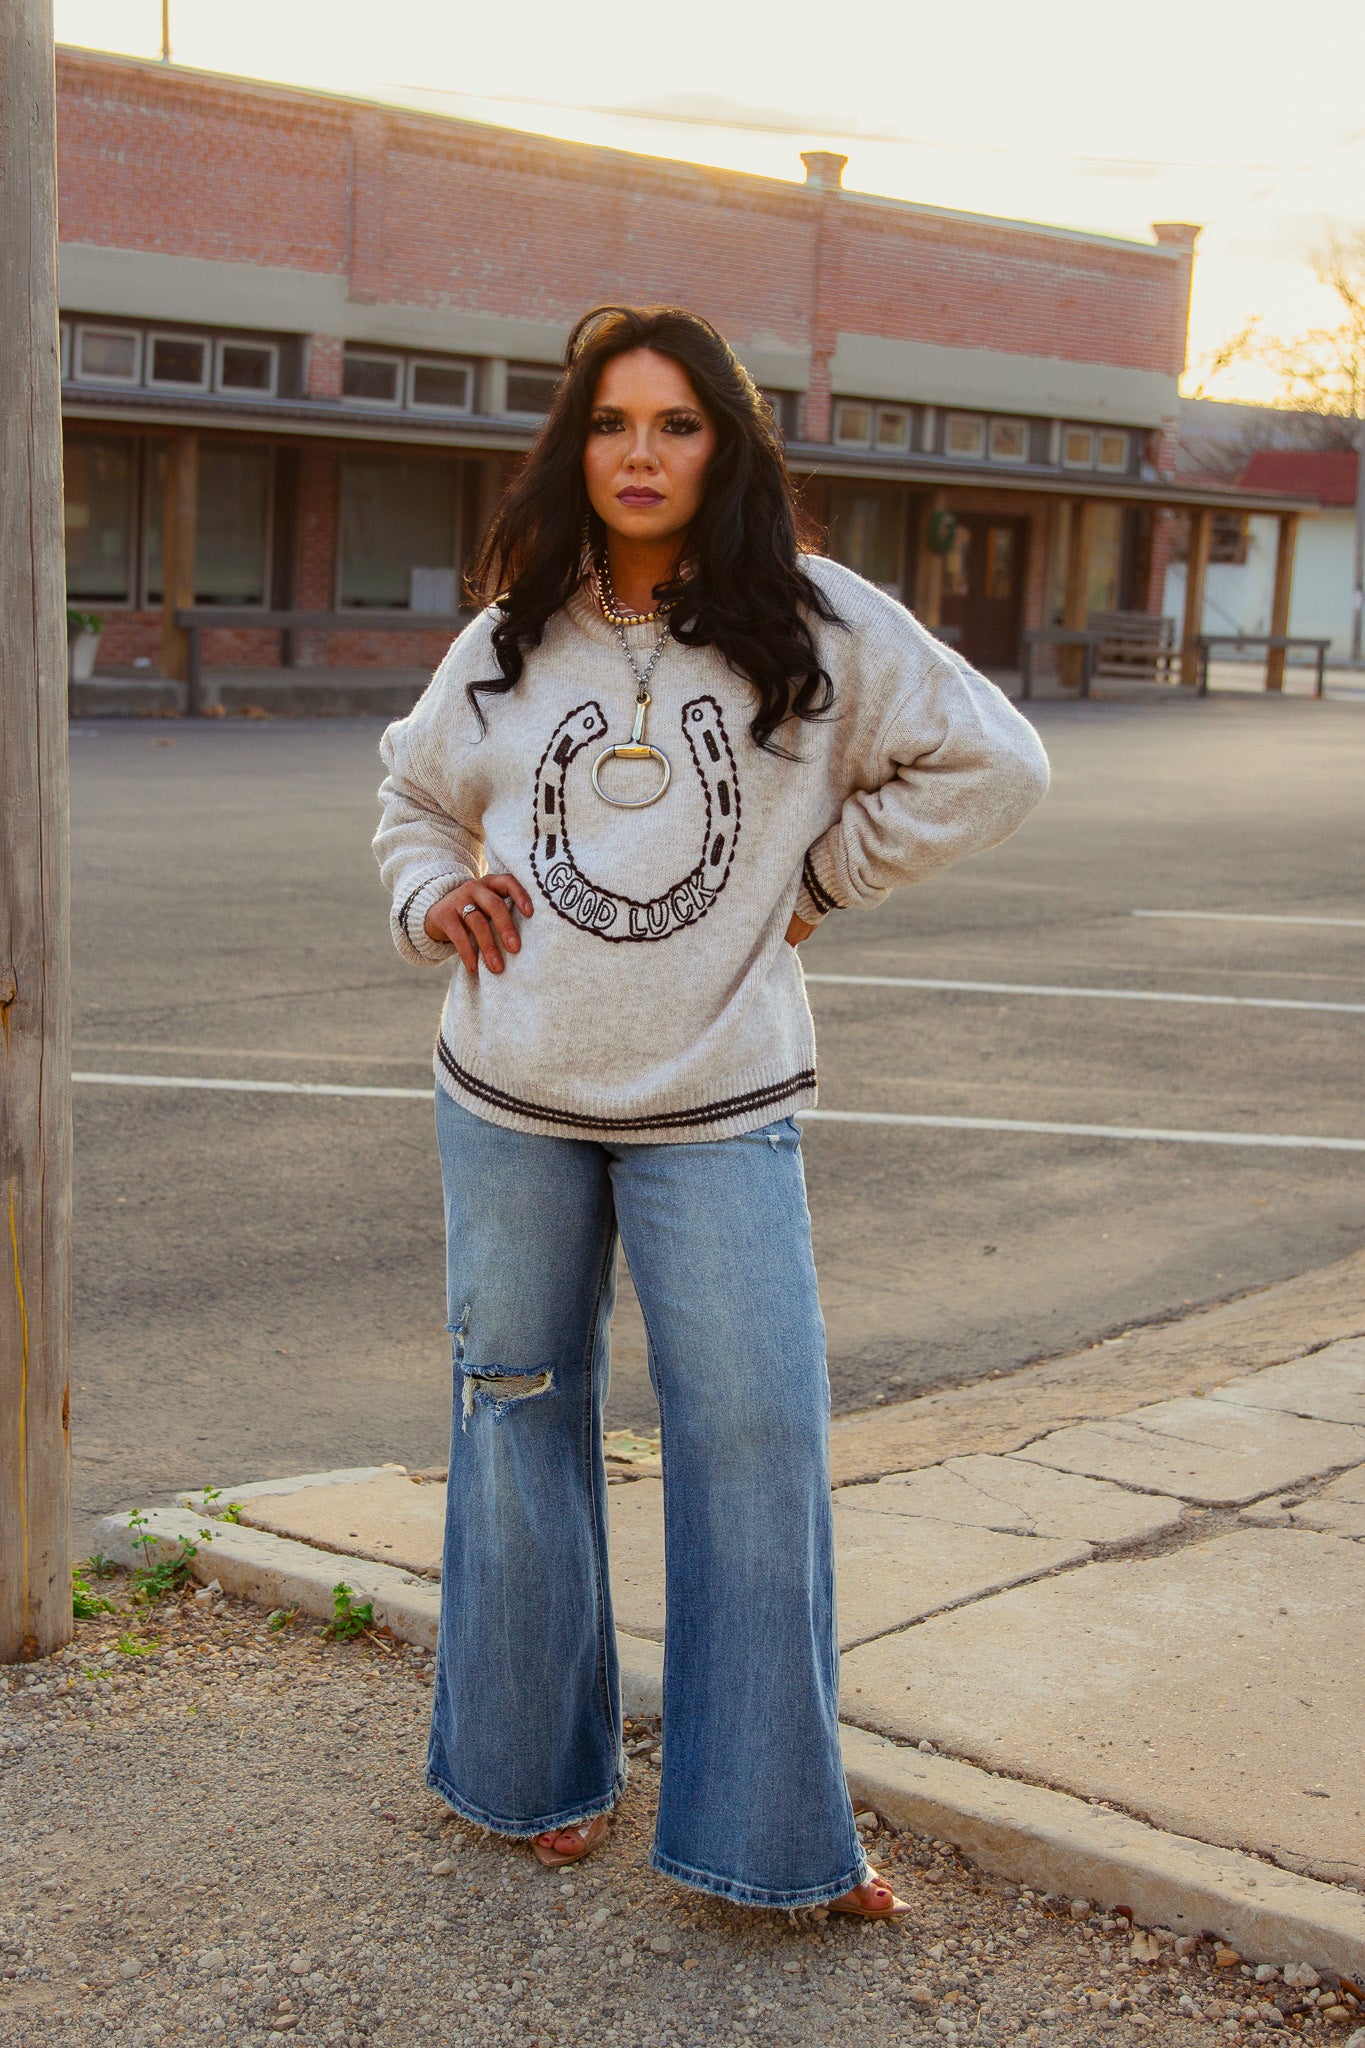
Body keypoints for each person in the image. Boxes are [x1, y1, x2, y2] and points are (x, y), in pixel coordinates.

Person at [374, 303, 1049, 1916]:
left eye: (675, 424)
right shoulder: (512, 634)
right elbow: (411, 795)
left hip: (719, 1095)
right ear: (576, 447)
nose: (640, 454)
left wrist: (823, 879)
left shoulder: (816, 621)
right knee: (515, 1417)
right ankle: (529, 1773)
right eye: (612, 423)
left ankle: (768, 1835)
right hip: (510, 1088)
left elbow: (995, 763)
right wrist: (428, 898)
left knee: (753, 1442)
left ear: (723, 443)